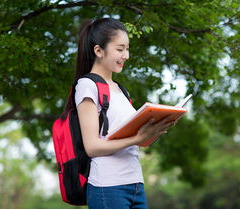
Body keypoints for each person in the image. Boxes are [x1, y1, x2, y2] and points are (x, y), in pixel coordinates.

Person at [70, 17, 176, 209]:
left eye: (127, 49)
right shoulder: (87, 85)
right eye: (120, 49)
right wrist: (136, 139)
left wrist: (158, 127)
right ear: (99, 50)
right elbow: (92, 147)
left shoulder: (121, 90)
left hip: (135, 184)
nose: (126, 55)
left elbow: (135, 140)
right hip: (108, 187)